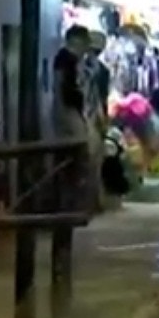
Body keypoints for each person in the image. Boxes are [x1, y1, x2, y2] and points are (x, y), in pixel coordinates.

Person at [52, 25, 95, 211]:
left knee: (73, 156)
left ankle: (70, 202)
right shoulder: (66, 60)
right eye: (85, 42)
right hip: (68, 113)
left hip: (70, 113)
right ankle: (70, 204)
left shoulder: (71, 61)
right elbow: (68, 91)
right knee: (76, 155)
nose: (87, 48)